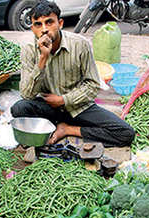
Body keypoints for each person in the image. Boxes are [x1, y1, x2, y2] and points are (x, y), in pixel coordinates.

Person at [11, 0, 135, 147]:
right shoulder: (29, 50)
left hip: (78, 107)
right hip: (49, 109)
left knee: (125, 133)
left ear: (60, 23)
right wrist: (42, 59)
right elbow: (27, 94)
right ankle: (53, 125)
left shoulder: (80, 45)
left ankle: (67, 129)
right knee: (19, 108)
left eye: (49, 22)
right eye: (38, 24)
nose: (44, 29)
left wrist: (63, 100)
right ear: (33, 29)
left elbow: (93, 85)